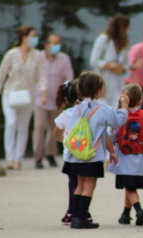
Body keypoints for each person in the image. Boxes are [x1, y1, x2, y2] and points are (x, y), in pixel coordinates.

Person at [59, 71, 129, 229]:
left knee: (80, 185)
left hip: (76, 153)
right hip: (92, 155)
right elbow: (118, 122)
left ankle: (76, 216)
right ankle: (82, 218)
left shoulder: (76, 109)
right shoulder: (102, 110)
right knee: (89, 185)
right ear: (98, 90)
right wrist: (124, 107)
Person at [0, 25, 47, 170]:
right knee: (11, 122)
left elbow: (42, 75)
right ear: (24, 37)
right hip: (10, 94)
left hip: (28, 96)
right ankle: (9, 157)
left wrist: (43, 93)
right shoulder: (11, 54)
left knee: (23, 127)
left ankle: (18, 159)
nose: (35, 39)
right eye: (32, 36)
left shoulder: (37, 55)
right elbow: (1, 73)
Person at [109, 83, 143, 226]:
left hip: (124, 160)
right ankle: (125, 214)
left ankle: (139, 210)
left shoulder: (119, 116)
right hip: (142, 161)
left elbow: (112, 137)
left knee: (130, 187)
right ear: (140, 101)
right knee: (129, 186)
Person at [34, 33, 74, 169]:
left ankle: (50, 154)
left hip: (57, 100)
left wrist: (65, 97)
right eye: (54, 43)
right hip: (40, 98)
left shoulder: (64, 59)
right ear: (46, 44)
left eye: (58, 43)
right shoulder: (38, 57)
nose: (56, 46)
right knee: (39, 127)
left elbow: (69, 79)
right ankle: (38, 156)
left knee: (55, 128)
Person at [54, 80, 83, 224]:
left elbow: (57, 132)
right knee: (83, 184)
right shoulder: (87, 112)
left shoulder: (66, 115)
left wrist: (67, 143)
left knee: (73, 184)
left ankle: (72, 212)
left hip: (70, 155)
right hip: (86, 154)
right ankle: (80, 212)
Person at [90, 14, 130, 108]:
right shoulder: (104, 39)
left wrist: (122, 69)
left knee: (116, 109)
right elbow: (94, 60)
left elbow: (126, 64)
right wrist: (111, 66)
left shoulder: (123, 44)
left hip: (117, 84)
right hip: (103, 82)